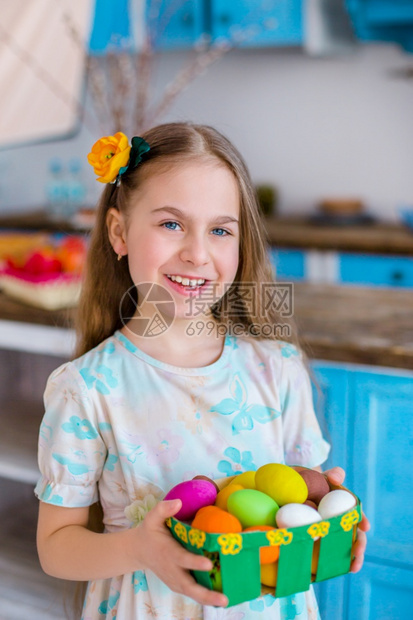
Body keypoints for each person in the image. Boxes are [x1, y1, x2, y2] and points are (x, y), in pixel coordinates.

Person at [35, 122, 368, 620]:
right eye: (171, 224)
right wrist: (139, 550)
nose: (197, 252)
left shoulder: (277, 369)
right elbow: (56, 546)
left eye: (219, 230)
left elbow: (295, 505)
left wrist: (328, 521)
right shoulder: (86, 390)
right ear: (119, 232)